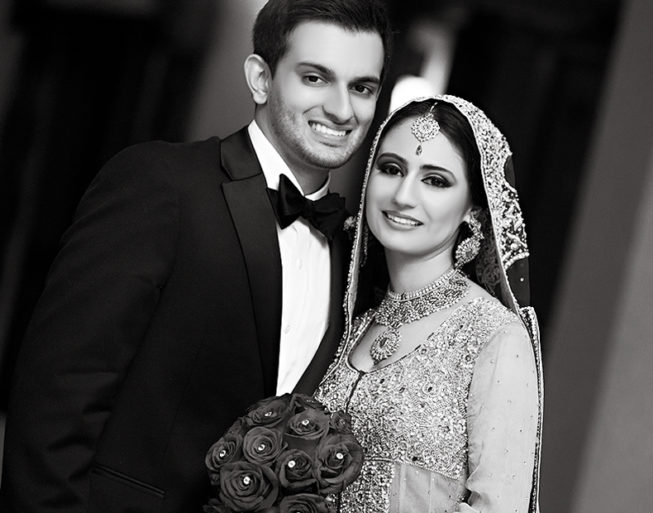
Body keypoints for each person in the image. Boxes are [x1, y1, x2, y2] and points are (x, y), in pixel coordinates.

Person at [1, 1, 391, 512]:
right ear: (260, 79)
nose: (342, 109)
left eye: (362, 87)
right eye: (315, 78)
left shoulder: (354, 251)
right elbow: (56, 398)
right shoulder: (160, 184)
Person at [314, 95, 544, 513]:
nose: (403, 195)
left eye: (435, 180)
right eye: (391, 169)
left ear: (473, 210)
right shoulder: (351, 321)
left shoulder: (493, 336)